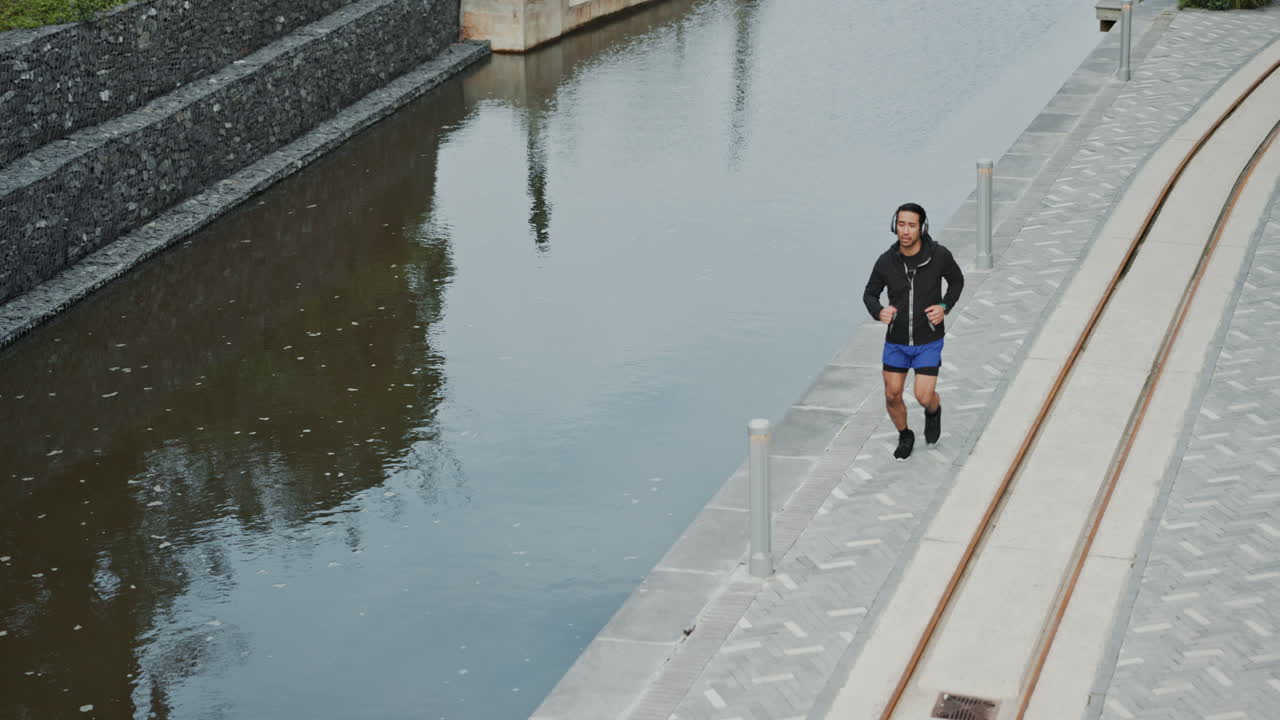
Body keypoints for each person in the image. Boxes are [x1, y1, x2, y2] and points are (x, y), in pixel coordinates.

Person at [862, 202, 965, 460]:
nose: (905, 231)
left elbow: (957, 281)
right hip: (896, 342)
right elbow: (870, 293)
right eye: (901, 224)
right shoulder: (886, 262)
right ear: (894, 226)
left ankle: (933, 411)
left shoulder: (939, 256)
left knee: (923, 395)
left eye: (911, 225)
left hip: (928, 339)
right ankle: (905, 434)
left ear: (922, 227)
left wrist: (944, 306)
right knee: (892, 393)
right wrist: (878, 311)